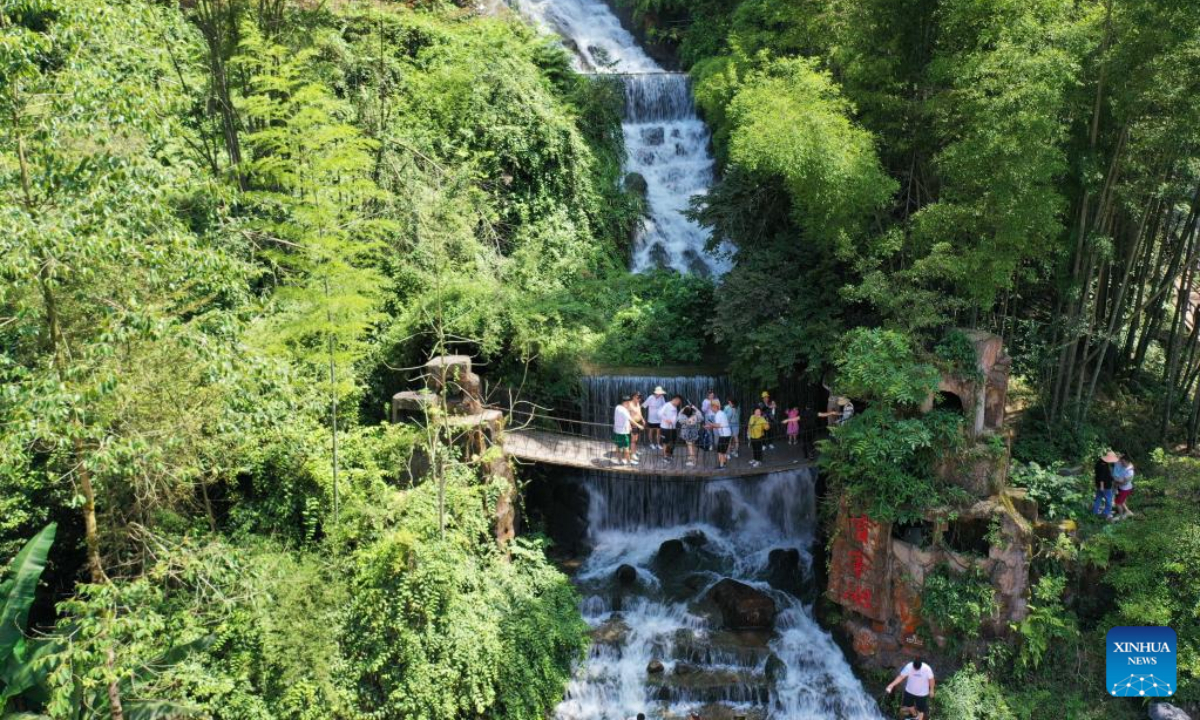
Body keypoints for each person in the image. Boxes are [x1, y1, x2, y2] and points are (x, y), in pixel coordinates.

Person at [612, 396, 642, 466]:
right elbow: (630, 419)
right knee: (626, 447)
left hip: (617, 431)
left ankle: (619, 460)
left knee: (618, 446)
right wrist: (639, 426)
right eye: (628, 403)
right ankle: (629, 461)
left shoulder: (617, 407)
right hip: (623, 433)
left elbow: (624, 419)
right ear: (626, 402)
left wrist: (628, 426)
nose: (629, 404)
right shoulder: (624, 410)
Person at [705, 399, 733, 470]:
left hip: (724, 435)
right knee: (721, 450)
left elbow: (718, 425)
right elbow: (718, 425)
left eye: (711, 407)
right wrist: (710, 425)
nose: (711, 409)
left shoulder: (718, 414)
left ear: (715, 407)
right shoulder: (720, 413)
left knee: (721, 451)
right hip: (725, 434)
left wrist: (710, 425)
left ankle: (721, 465)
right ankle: (723, 462)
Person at [1091, 450, 1118, 518]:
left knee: (1098, 498)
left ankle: (1095, 512)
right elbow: (1102, 477)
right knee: (1109, 499)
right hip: (1105, 486)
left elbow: (1098, 475)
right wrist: (1102, 487)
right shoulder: (1104, 466)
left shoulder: (1099, 462)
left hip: (1099, 485)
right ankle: (1106, 513)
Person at [1112, 454, 1135, 520]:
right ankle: (1128, 512)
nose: (1121, 463)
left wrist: (1115, 480)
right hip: (1121, 488)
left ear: (1127, 461)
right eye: (1121, 461)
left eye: (1123, 462)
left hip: (1125, 489)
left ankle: (1121, 516)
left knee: (1117, 503)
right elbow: (1117, 461)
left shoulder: (1130, 472)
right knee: (1121, 501)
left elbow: (1123, 482)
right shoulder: (1122, 464)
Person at [660, 394, 681, 459]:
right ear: (675, 399)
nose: (679, 403)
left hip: (673, 427)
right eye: (679, 402)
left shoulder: (675, 407)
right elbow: (659, 413)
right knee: (665, 442)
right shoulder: (667, 405)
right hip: (665, 428)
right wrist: (666, 420)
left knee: (672, 441)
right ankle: (665, 456)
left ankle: (670, 454)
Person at [627, 391, 646, 461]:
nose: (639, 399)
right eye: (638, 397)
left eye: (640, 397)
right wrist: (629, 425)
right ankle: (633, 454)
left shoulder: (637, 403)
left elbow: (639, 412)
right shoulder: (629, 404)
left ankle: (634, 450)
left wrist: (643, 419)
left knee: (636, 439)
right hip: (632, 424)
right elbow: (627, 416)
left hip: (638, 423)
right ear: (633, 397)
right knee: (633, 440)